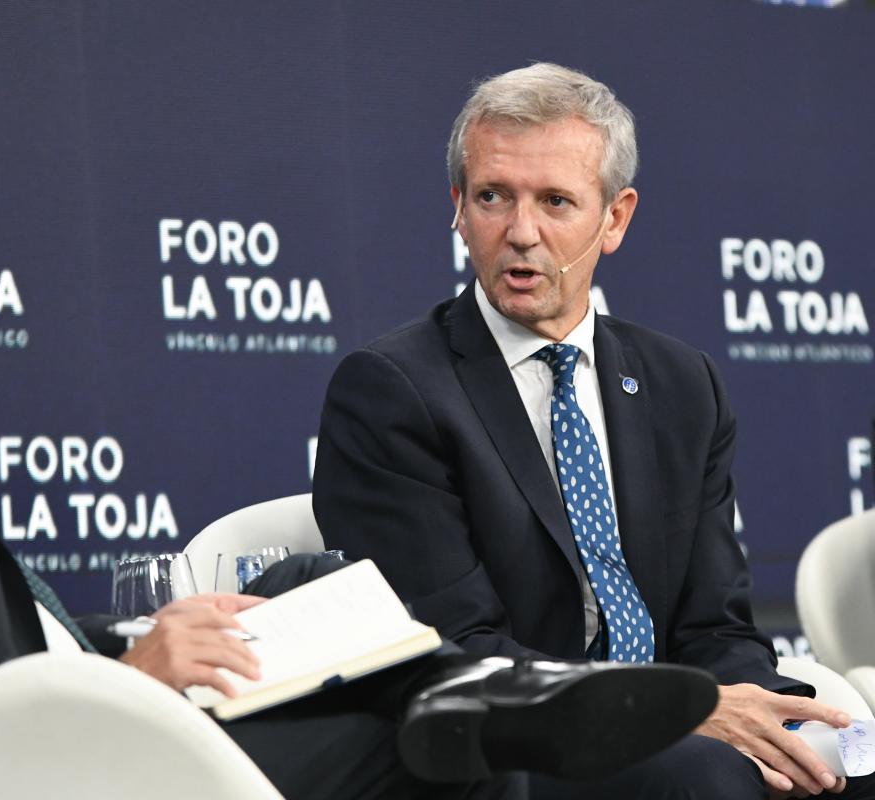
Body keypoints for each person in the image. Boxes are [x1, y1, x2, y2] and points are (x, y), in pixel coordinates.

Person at [0, 23, 714, 799]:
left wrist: (118, 636)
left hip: (45, 704)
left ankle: (494, 690)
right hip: (23, 756)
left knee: (304, 599)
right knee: (441, 763)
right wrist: (127, 672)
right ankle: (504, 703)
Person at [312, 62, 875, 799]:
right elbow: (453, 651)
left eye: (555, 201)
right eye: (492, 196)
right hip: (514, 746)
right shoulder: (392, 390)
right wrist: (678, 713)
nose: (521, 232)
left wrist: (769, 721)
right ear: (458, 209)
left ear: (615, 218)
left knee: (850, 765)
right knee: (707, 780)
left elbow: (716, 628)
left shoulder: (683, 384)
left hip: (679, 727)